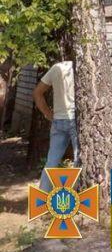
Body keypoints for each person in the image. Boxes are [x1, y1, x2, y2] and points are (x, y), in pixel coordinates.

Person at [33, 59, 77, 192]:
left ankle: (41, 199)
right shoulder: (82, 66)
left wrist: (48, 114)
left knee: (51, 161)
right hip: (76, 121)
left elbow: (37, 93)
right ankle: (76, 197)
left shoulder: (57, 68)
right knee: (79, 160)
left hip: (58, 121)